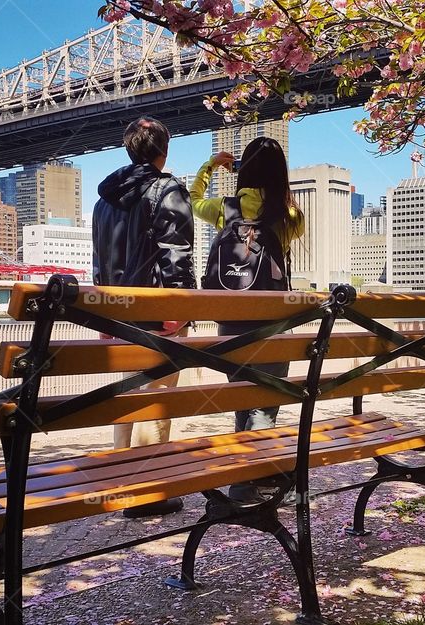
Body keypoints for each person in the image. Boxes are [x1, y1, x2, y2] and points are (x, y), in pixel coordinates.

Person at [190, 136, 305, 501]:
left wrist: (209, 167)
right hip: (272, 324)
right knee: (265, 398)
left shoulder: (225, 209)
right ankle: (247, 480)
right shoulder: (288, 215)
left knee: (245, 396)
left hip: (230, 324)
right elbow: (296, 228)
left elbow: (192, 202)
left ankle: (253, 473)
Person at [92, 115, 196, 517]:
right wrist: (176, 311)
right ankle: (149, 491)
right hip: (155, 318)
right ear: (164, 150)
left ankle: (122, 480)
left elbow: (100, 262)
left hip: (118, 319)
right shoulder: (168, 190)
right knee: (157, 399)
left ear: (129, 149)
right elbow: (176, 255)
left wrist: (103, 317)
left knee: (127, 395)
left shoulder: (104, 201)